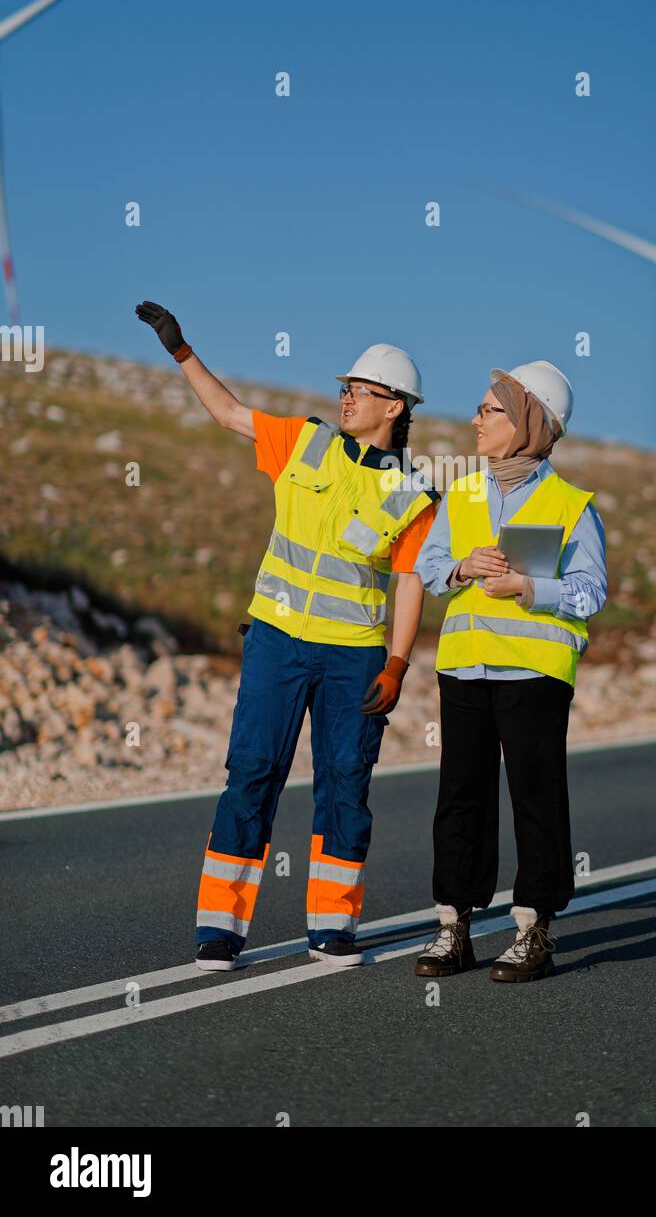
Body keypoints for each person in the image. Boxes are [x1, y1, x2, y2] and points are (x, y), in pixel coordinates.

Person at [135, 302, 438, 970]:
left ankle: (333, 928)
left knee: (344, 783)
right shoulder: (305, 441)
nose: (346, 398)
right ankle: (220, 930)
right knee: (252, 772)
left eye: (359, 391)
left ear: (394, 407)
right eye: (345, 388)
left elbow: (410, 583)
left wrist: (397, 665)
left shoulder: (414, 495)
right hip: (275, 641)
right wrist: (182, 350)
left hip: (354, 657)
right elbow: (228, 415)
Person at [413, 360, 606, 982]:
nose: (476, 420)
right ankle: (454, 927)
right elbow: (429, 566)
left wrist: (530, 587)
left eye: (491, 411)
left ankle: (534, 930)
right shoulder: (463, 491)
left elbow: (591, 591)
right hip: (465, 668)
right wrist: (464, 567)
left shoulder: (570, 504)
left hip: (535, 672)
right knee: (460, 797)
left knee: (536, 799)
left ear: (530, 423)